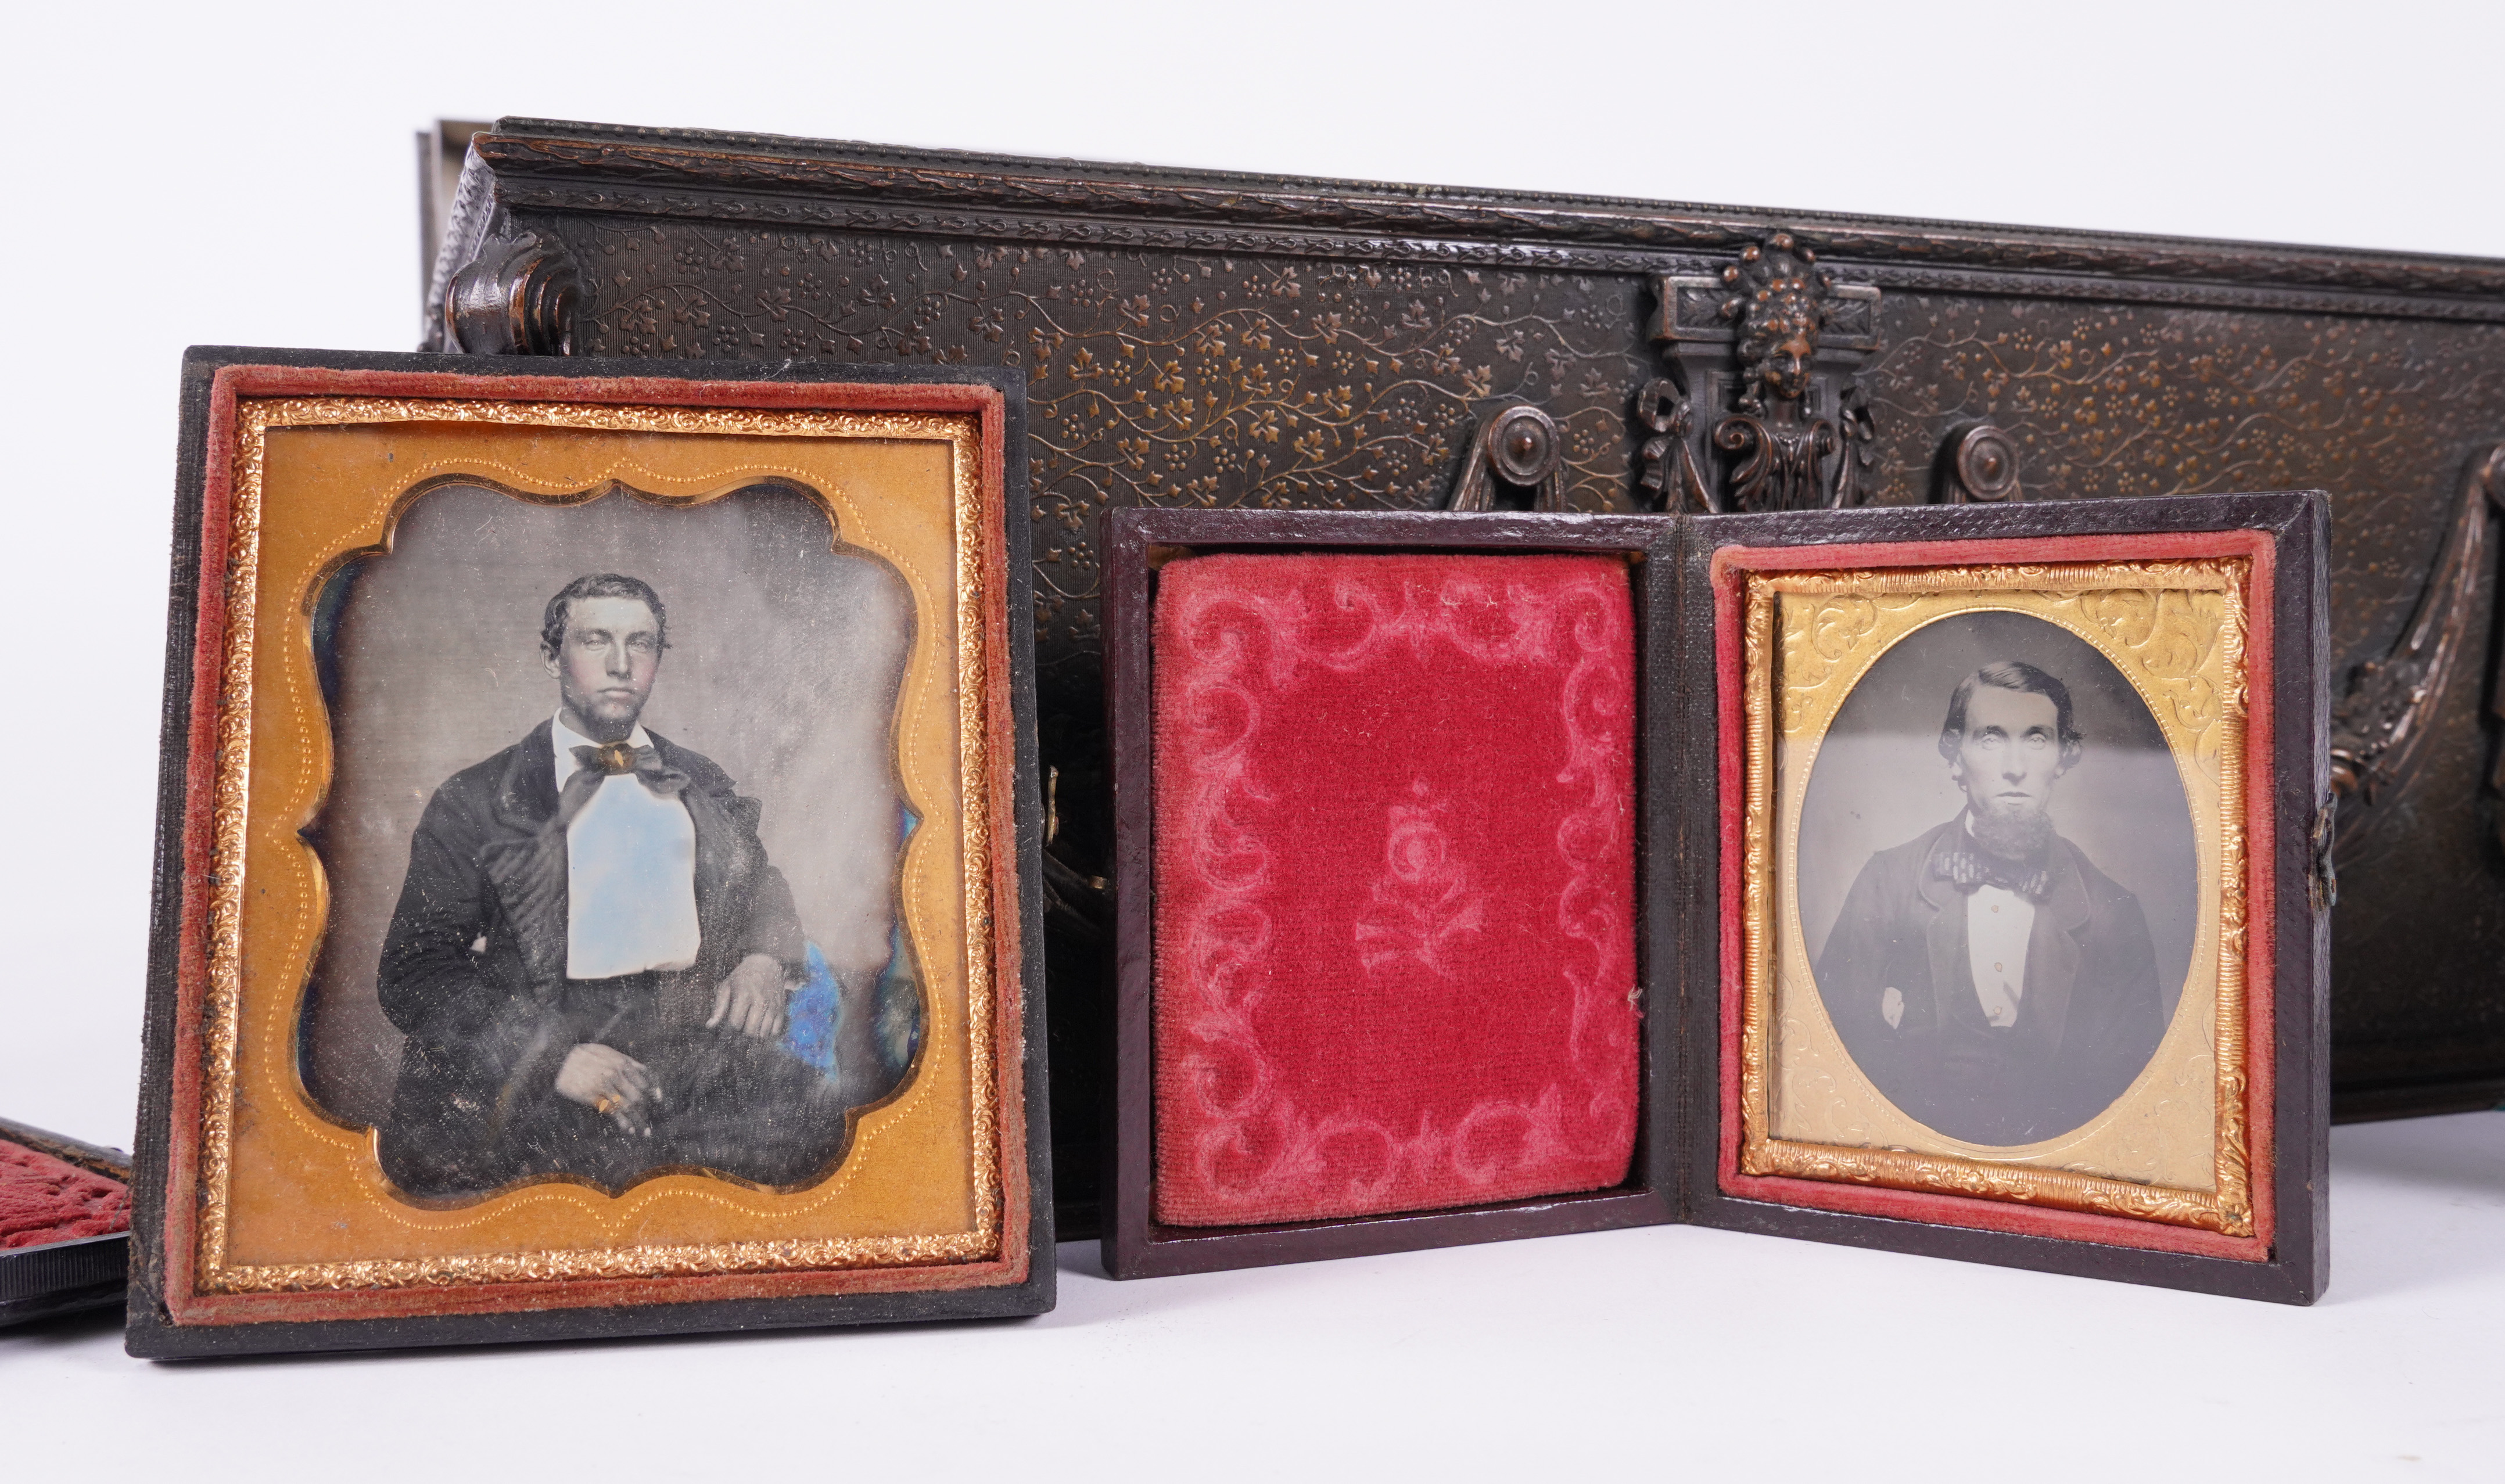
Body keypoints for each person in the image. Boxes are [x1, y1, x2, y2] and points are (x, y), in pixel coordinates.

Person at [375, 573, 873, 1197]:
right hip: (547, 1050)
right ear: (553, 655)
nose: (620, 664)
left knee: (833, 1154)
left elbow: (760, 881)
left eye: (641, 643)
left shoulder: (696, 777)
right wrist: (553, 1058)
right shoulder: (475, 798)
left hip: (692, 1041)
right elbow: (416, 972)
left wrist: (764, 957)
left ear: (659, 657)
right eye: (594, 640)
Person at [1813, 660, 2167, 1145]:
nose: (2015, 767)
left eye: (2038, 739)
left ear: (2062, 758)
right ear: (1956, 759)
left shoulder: (2113, 912)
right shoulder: (1889, 881)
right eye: (1991, 738)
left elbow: (2128, 1094)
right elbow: (1831, 1052)